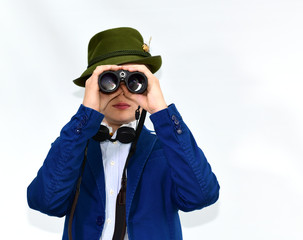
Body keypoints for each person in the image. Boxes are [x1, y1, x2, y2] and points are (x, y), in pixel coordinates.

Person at [27, 27, 220, 240]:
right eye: (108, 81)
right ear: (92, 86)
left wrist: (161, 112)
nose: (121, 91)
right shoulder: (74, 146)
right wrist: (85, 116)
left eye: (133, 81)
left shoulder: (167, 148)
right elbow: (45, 202)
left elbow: (202, 196)